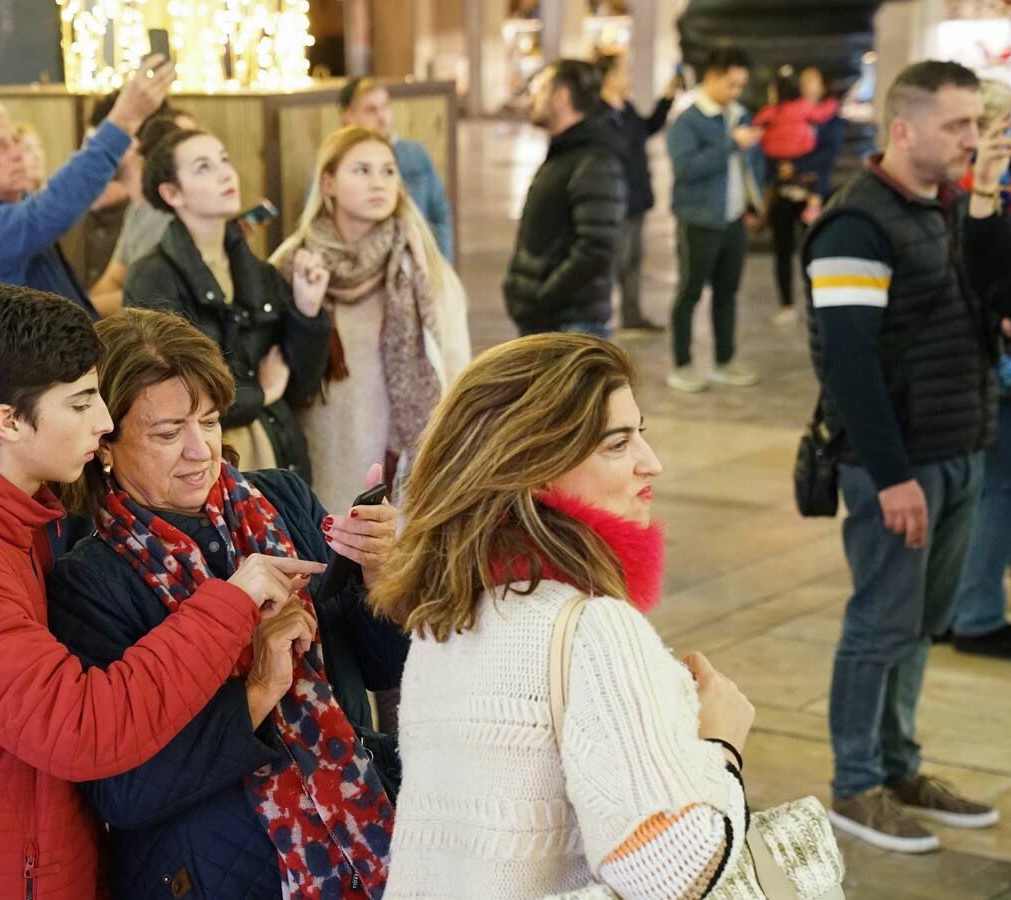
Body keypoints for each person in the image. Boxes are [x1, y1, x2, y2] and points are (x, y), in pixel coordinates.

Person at [0, 283, 314, 899]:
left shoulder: (16, 521)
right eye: (81, 405)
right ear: (8, 422)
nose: (103, 421)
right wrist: (232, 607)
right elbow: (82, 729)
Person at [373, 333, 753, 898]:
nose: (653, 463)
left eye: (639, 436)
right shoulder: (595, 630)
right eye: (617, 445)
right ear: (534, 466)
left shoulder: (447, 619)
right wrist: (722, 743)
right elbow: (672, 870)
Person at [48, 307, 407, 899]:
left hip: (368, 827)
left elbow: (380, 666)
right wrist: (259, 689)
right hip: (217, 871)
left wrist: (381, 575)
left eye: (210, 421)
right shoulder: (89, 580)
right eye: (167, 434)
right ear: (104, 444)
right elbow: (124, 792)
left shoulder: (283, 500)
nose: (200, 451)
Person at [804, 60, 1011, 853]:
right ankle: (855, 785)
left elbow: (1008, 299)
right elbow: (847, 364)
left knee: (921, 625)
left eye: (976, 124)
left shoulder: (956, 205)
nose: (971, 137)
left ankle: (899, 766)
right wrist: (890, 475)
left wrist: (989, 200)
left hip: (961, 443)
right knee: (879, 623)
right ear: (903, 128)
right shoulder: (854, 224)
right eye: (957, 125)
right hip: (897, 462)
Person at [271, 124, 471, 512]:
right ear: (328, 183)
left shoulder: (419, 265)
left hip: (401, 460)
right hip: (321, 449)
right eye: (361, 170)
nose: (378, 182)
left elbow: (453, 362)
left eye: (388, 171)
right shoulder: (294, 263)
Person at [125, 128, 333, 480]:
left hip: (280, 454)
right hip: (204, 466)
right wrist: (260, 393)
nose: (225, 173)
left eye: (224, 160)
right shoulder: (152, 276)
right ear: (172, 193)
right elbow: (165, 395)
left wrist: (307, 312)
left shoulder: (260, 273)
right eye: (203, 167)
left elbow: (302, 386)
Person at [0, 58, 173, 315]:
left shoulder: (16, 208)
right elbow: (47, 210)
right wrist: (124, 119)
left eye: (14, 140)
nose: (16, 153)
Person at [948, 79, 1011, 661]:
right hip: (993, 367)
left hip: (985, 365)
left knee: (991, 487)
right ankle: (974, 611)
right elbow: (988, 282)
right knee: (1002, 489)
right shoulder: (973, 197)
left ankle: (963, 607)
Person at [503, 59, 627, 338]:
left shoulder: (594, 161)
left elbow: (597, 247)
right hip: (549, 321)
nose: (533, 97)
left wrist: (543, 296)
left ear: (561, 96)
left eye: (540, 88)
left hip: (570, 325)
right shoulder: (566, 154)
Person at [665, 47, 764, 393]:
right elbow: (686, 168)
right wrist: (729, 144)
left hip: (734, 219)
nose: (735, 92)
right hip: (699, 220)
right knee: (690, 291)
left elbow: (754, 164)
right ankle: (682, 363)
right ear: (711, 77)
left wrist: (754, 203)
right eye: (731, 84)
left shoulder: (739, 115)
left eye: (740, 86)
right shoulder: (688, 120)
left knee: (727, 293)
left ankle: (725, 360)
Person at [595, 52, 682, 333]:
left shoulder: (626, 108)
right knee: (613, 261)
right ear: (608, 76)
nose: (628, 76)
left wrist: (667, 97)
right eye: (623, 71)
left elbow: (646, 129)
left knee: (633, 260)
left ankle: (632, 315)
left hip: (636, 197)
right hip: (614, 199)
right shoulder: (598, 114)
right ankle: (599, 320)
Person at [338, 77, 453, 260]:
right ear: (348, 115)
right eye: (371, 110)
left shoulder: (415, 155)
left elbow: (440, 215)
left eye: (385, 107)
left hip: (417, 263)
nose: (382, 118)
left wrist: (441, 267)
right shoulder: (335, 165)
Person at [769, 66, 847, 327]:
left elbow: (829, 153)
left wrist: (798, 167)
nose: (806, 84)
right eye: (803, 80)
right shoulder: (786, 110)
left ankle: (817, 303)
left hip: (813, 196)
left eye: (812, 80)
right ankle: (786, 304)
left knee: (814, 252)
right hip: (784, 193)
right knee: (781, 249)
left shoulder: (829, 117)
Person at [89, 114, 183, 303]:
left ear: (133, 146)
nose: (92, 154)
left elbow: (146, 300)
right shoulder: (136, 209)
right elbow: (114, 278)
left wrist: (81, 309)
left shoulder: (165, 214)